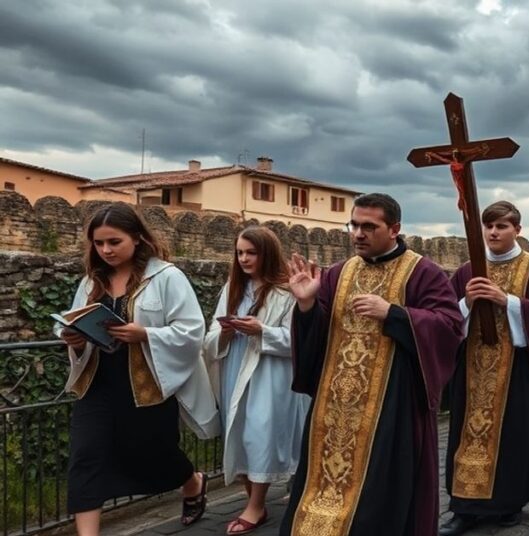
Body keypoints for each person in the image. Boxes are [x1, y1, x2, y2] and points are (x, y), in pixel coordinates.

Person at [281, 193, 463, 536]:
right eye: (354, 225)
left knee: (379, 494)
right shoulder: (338, 273)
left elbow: (449, 327)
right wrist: (306, 306)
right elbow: (318, 333)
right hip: (334, 407)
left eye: (369, 226)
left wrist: (394, 315)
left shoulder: (423, 272)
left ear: (394, 229)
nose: (358, 234)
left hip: (392, 407)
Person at [58, 203, 218, 536]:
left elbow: (192, 331)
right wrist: (74, 339)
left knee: (155, 452)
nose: (105, 250)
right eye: (99, 243)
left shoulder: (167, 277)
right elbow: (77, 322)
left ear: (137, 238)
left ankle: (192, 482)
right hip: (97, 385)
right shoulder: (91, 281)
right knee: (85, 457)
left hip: (148, 384)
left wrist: (144, 334)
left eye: (114, 242)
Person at [442, 201, 529, 535]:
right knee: (465, 440)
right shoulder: (468, 270)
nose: (493, 233)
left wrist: (507, 301)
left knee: (515, 437)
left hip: (516, 372)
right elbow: (443, 317)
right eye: (489, 226)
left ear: (518, 230)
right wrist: (466, 304)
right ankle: (463, 508)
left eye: (501, 226)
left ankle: (509, 503)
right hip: (471, 373)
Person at [202, 227, 308, 534]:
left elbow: (298, 341)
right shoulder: (232, 288)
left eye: (252, 252)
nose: (244, 259)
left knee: (260, 433)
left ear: (268, 253)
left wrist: (262, 331)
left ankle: (256, 506)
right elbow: (209, 335)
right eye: (240, 252)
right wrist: (223, 331)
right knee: (238, 434)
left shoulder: (287, 292)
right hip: (234, 367)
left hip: (269, 374)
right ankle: (254, 499)